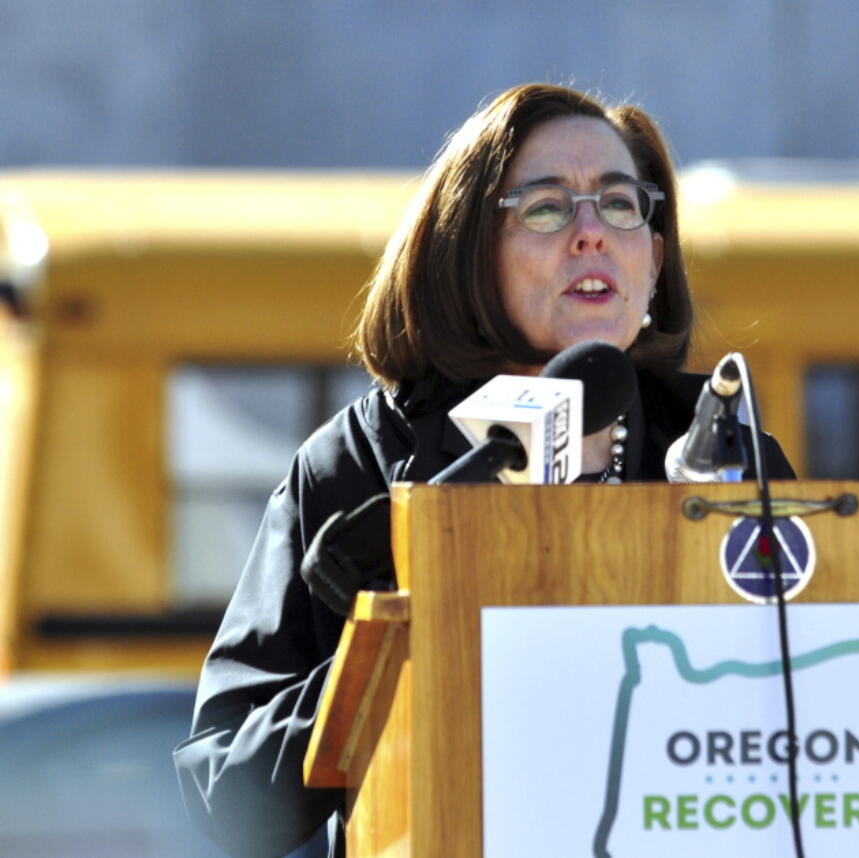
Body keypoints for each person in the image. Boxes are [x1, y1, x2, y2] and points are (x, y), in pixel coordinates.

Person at [173, 83, 795, 858]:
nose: (591, 234)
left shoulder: (727, 453)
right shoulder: (357, 465)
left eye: (620, 205)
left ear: (655, 257)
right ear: (468, 252)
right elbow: (223, 794)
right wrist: (399, 646)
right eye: (545, 208)